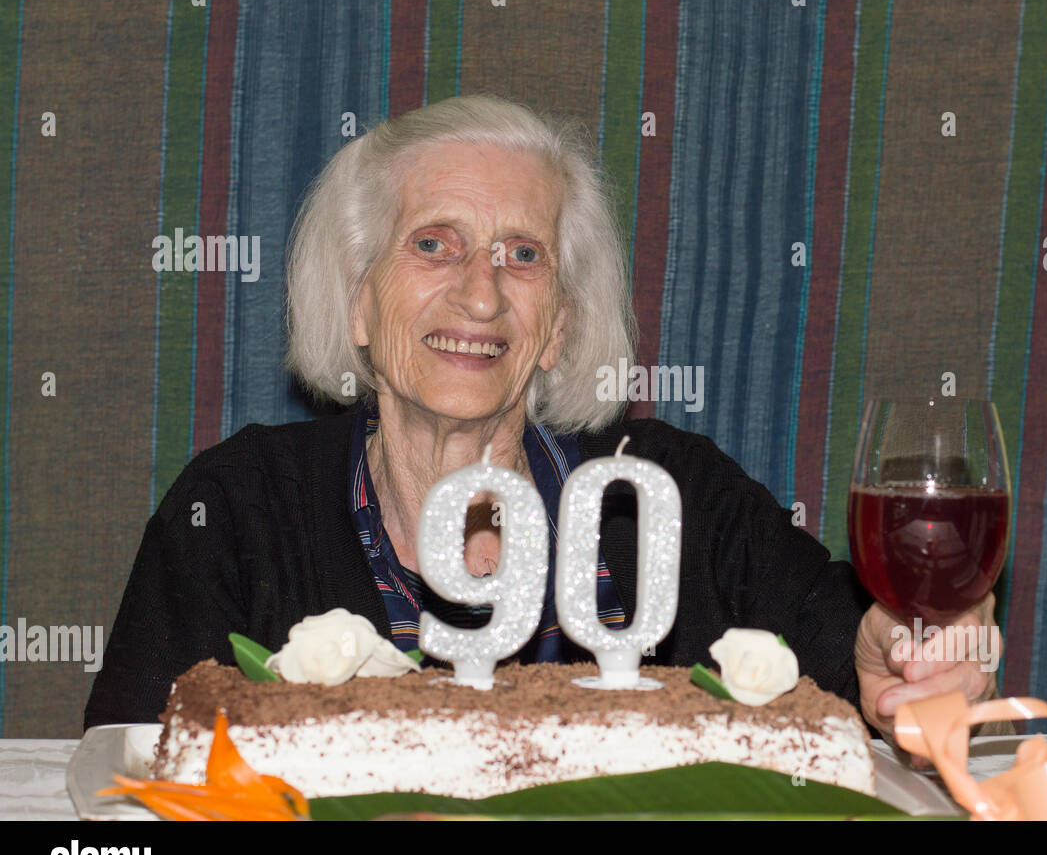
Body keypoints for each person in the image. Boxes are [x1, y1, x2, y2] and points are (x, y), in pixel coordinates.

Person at [84, 95, 1000, 746]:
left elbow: (841, 640)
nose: (480, 293)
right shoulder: (239, 508)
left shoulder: (666, 493)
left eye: (522, 255)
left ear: (560, 323)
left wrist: (903, 656)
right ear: (358, 303)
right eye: (433, 244)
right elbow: (127, 778)